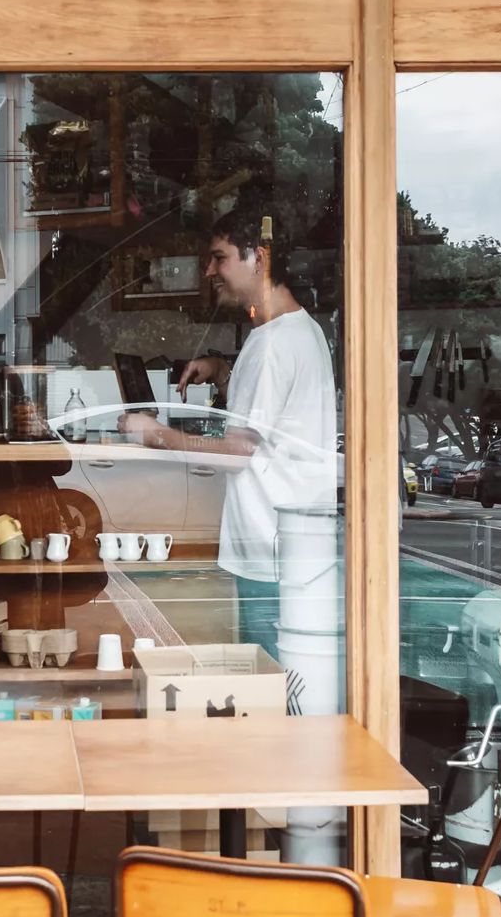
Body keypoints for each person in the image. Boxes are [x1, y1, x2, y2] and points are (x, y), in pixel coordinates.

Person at [116, 205, 338, 659]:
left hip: (267, 548)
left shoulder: (272, 344)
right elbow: (274, 422)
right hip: (291, 547)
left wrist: (156, 435)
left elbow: (238, 452)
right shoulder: (299, 331)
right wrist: (222, 372)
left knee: (272, 677)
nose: (209, 270)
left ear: (259, 258)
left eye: (219, 258)